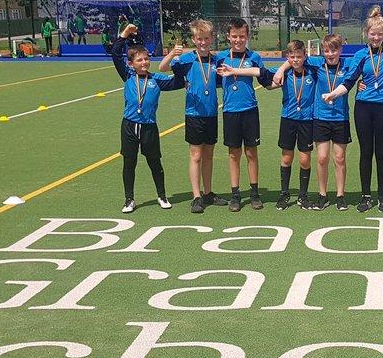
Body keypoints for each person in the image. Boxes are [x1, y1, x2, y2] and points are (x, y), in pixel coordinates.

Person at [109, 30, 183, 214]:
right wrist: (124, 35)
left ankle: (162, 196)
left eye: (146, 59)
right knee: (129, 163)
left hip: (149, 127)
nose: (144, 63)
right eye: (139, 60)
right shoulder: (127, 75)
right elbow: (115, 54)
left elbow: (177, 82)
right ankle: (129, 199)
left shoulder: (156, 79)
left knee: (154, 162)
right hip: (129, 126)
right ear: (131, 64)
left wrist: (175, 58)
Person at [278, 34, 355, 210]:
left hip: (341, 118)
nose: (330, 54)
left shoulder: (348, 65)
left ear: (340, 50)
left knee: (340, 158)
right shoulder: (316, 64)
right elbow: (294, 58)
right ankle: (322, 195)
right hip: (320, 118)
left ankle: (340, 195)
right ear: (322, 52)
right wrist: (282, 69)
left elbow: (364, 67)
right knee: (321, 158)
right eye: (327, 50)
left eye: (334, 50)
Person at [212, 17, 275, 211]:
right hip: (230, 111)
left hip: (249, 111)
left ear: (247, 36)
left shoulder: (254, 57)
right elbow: (212, 81)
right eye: (234, 36)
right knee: (233, 154)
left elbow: (265, 81)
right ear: (228, 37)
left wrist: (281, 83)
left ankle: (254, 193)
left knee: (251, 152)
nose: (238, 40)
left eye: (242, 36)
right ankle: (235, 194)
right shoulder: (221, 57)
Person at [343, 5, 383, 211]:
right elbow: (349, 80)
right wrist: (335, 94)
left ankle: (382, 196)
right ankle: (366, 195)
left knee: (382, 152)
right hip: (364, 108)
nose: (376, 38)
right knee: (366, 152)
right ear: (366, 34)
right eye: (372, 34)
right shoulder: (360, 55)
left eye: (380, 34)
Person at [171, 19, 226, 213]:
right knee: (196, 155)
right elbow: (163, 68)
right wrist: (172, 54)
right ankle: (196, 196)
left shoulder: (217, 59)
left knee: (209, 155)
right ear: (194, 39)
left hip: (211, 113)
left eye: (206, 38)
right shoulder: (187, 59)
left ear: (212, 39)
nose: (203, 42)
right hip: (194, 114)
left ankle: (208, 192)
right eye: (199, 39)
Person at [271, 40, 317, 210]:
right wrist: (282, 69)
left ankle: (303, 196)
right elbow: (261, 75)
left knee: (305, 159)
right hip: (288, 119)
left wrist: (283, 66)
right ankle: (284, 194)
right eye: (292, 57)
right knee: (286, 157)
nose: (296, 60)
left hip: (307, 120)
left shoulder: (313, 71)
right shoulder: (285, 74)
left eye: (299, 56)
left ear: (305, 55)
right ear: (287, 57)